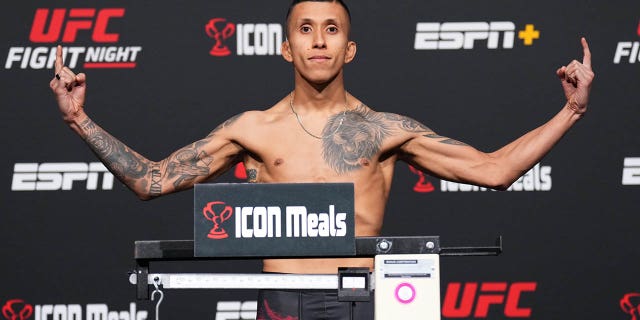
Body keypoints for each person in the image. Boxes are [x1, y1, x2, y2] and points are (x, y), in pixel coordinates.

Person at [50, 0, 594, 318]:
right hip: (281, 303)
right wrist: (79, 119)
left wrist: (570, 110)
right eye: (305, 29)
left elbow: (494, 170)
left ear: (349, 49)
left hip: (365, 299)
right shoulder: (251, 130)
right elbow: (150, 180)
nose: (318, 41)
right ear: (285, 46)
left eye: (332, 30)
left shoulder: (385, 130)